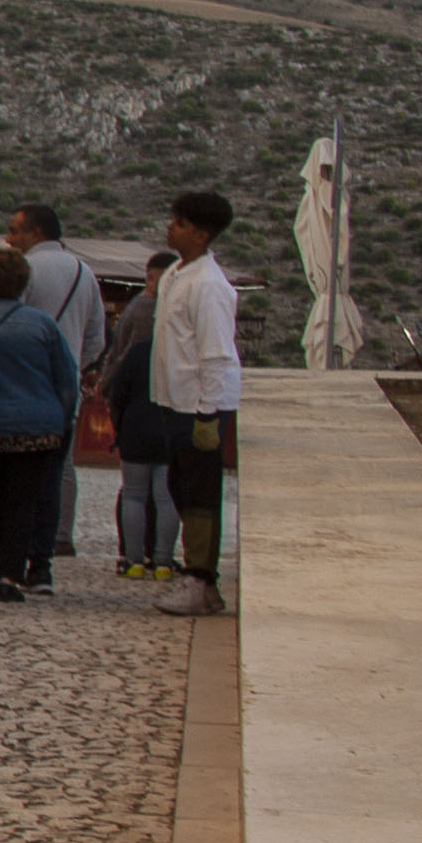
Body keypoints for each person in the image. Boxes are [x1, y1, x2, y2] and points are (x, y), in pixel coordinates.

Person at [0, 246, 82, 601]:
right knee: (22, 505)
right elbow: (66, 381)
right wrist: (61, 421)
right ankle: (11, 575)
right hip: (35, 429)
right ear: (25, 282)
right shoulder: (44, 325)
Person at [150, 189, 241, 615]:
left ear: (202, 235)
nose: (171, 228)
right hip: (173, 401)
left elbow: (216, 353)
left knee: (201, 492)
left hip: (199, 406)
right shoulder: (174, 274)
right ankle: (201, 581)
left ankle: (200, 578)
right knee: (180, 486)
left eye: (181, 223)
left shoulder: (209, 285)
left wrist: (208, 414)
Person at [4, 205, 106, 583]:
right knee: (58, 469)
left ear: (36, 233)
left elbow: (9, 321)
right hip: (65, 389)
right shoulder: (84, 273)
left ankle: (9, 555)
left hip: (21, 385)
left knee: (16, 473)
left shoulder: (25, 270)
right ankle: (50, 549)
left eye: (15, 231)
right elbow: (96, 338)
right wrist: (75, 364)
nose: (9, 239)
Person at [96, 251, 183, 575]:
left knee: (133, 494)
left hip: (135, 427)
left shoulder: (137, 348)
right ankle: (163, 561)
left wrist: (119, 424)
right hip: (169, 428)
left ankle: (132, 560)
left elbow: (118, 388)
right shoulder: (180, 355)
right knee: (166, 497)